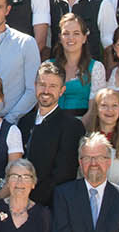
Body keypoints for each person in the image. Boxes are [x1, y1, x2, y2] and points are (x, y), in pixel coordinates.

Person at [16, 64, 84, 205]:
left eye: (53, 86)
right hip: (19, 202)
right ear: (35, 86)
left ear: (61, 91)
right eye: (42, 84)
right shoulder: (24, 122)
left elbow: (64, 173)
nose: (46, 91)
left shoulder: (71, 126)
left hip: (50, 206)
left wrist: (33, 201)